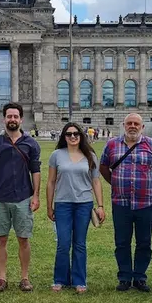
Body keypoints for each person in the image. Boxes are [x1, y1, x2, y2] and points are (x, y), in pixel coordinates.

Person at [99, 113, 152, 292]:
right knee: (122, 242)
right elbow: (103, 167)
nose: (132, 126)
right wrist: (115, 183)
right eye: (129, 123)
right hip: (121, 202)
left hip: (145, 202)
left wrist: (149, 184)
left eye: (136, 124)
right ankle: (125, 277)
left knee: (144, 242)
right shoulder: (112, 145)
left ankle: (140, 277)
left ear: (142, 127)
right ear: (123, 125)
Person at [0, 102, 41, 292]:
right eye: (9, 116)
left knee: (24, 239)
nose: (12, 119)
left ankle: (24, 278)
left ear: (21, 119)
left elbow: (36, 171)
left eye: (16, 116)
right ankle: (2, 277)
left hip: (23, 198)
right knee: (1, 239)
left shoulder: (31, 143)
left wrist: (36, 196)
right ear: (4, 119)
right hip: (0, 198)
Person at [46, 122, 105, 294]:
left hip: (84, 204)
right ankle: (60, 279)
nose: (73, 137)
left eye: (76, 134)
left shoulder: (90, 156)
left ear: (81, 136)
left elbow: (96, 181)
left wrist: (100, 205)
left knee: (79, 243)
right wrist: (49, 206)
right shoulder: (56, 155)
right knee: (63, 243)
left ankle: (79, 280)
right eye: (69, 134)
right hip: (62, 203)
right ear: (64, 137)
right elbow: (51, 182)